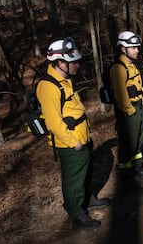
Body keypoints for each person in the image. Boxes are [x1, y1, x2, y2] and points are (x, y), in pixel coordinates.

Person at [36, 38, 110, 229]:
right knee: (73, 179)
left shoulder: (64, 80)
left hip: (81, 136)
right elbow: (53, 123)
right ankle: (76, 212)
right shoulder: (48, 87)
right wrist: (73, 142)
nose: (78, 65)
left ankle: (87, 200)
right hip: (70, 143)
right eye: (74, 62)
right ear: (61, 63)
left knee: (85, 173)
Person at [110, 31, 143, 181]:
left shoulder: (132, 65)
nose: (137, 50)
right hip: (129, 112)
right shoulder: (119, 68)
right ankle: (125, 174)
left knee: (139, 139)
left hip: (138, 108)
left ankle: (137, 167)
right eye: (133, 47)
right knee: (128, 142)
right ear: (123, 49)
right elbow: (121, 94)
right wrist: (131, 111)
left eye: (137, 47)